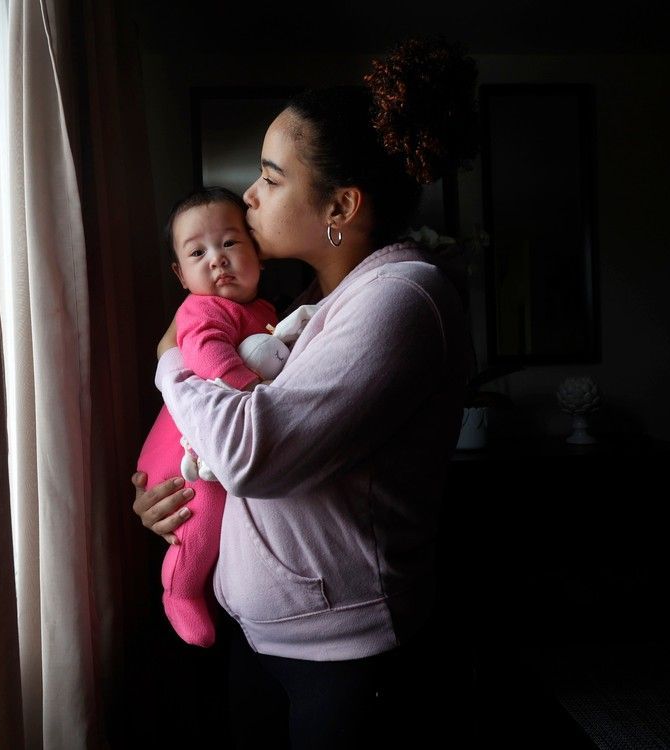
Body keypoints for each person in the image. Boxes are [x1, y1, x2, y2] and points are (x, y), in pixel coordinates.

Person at [132, 37, 479, 747]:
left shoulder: (400, 300)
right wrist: (169, 495)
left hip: (346, 658)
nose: (249, 196)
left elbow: (254, 455)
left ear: (341, 206)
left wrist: (170, 363)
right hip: (265, 640)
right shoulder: (314, 300)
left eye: (270, 176)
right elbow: (229, 449)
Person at [136, 185, 277, 648]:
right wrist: (250, 387)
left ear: (257, 248)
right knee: (201, 517)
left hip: (205, 443)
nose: (217, 258)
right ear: (180, 274)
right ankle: (180, 590)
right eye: (198, 252)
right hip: (182, 456)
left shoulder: (263, 312)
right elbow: (203, 351)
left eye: (230, 243)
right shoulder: (201, 308)